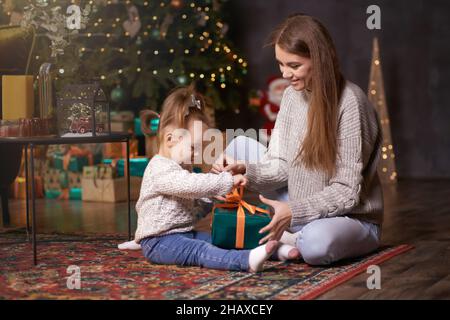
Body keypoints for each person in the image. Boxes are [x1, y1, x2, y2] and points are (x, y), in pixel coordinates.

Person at [212, 14, 383, 266]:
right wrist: (246, 171)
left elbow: (347, 192)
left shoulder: (351, 103)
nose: (285, 73)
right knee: (238, 147)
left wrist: (294, 210)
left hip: (348, 218)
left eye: (294, 65)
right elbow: (281, 163)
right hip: (300, 208)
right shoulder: (293, 96)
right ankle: (179, 225)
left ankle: (286, 237)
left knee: (316, 244)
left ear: (320, 60)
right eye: (280, 64)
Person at [131, 85, 299, 272]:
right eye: (193, 147)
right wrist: (225, 182)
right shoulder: (160, 168)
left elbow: (196, 205)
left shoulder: (182, 167)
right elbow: (190, 185)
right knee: (200, 250)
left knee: (221, 239)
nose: (197, 153)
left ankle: (277, 250)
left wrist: (213, 196)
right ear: (171, 139)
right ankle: (245, 261)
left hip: (184, 233)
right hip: (159, 242)